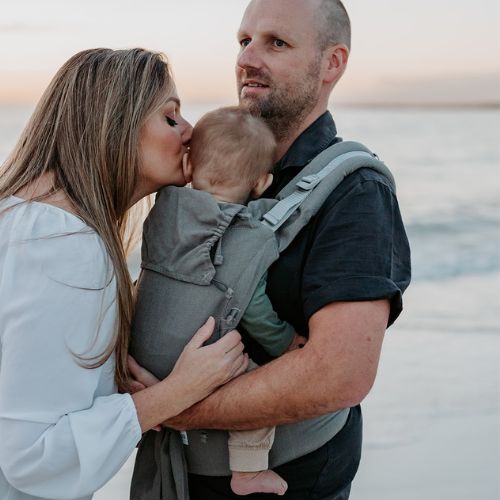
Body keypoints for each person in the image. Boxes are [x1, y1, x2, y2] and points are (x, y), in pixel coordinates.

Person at [130, 0, 411, 498]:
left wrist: (168, 407)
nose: (247, 59)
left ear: (332, 63)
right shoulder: (209, 171)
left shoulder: (355, 191)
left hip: (288, 484)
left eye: (276, 43)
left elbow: (337, 375)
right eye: (244, 41)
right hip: (175, 473)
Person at [0, 48, 248, 500]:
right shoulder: (62, 244)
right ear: (115, 126)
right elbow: (32, 456)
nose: (190, 131)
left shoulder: (22, 219)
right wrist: (178, 392)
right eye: (170, 118)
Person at [137, 106, 309, 496]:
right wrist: (285, 343)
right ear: (262, 182)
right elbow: (255, 308)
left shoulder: (164, 206)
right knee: (257, 394)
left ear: (190, 164)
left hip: (141, 348)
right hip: (192, 358)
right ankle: (248, 472)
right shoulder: (250, 237)